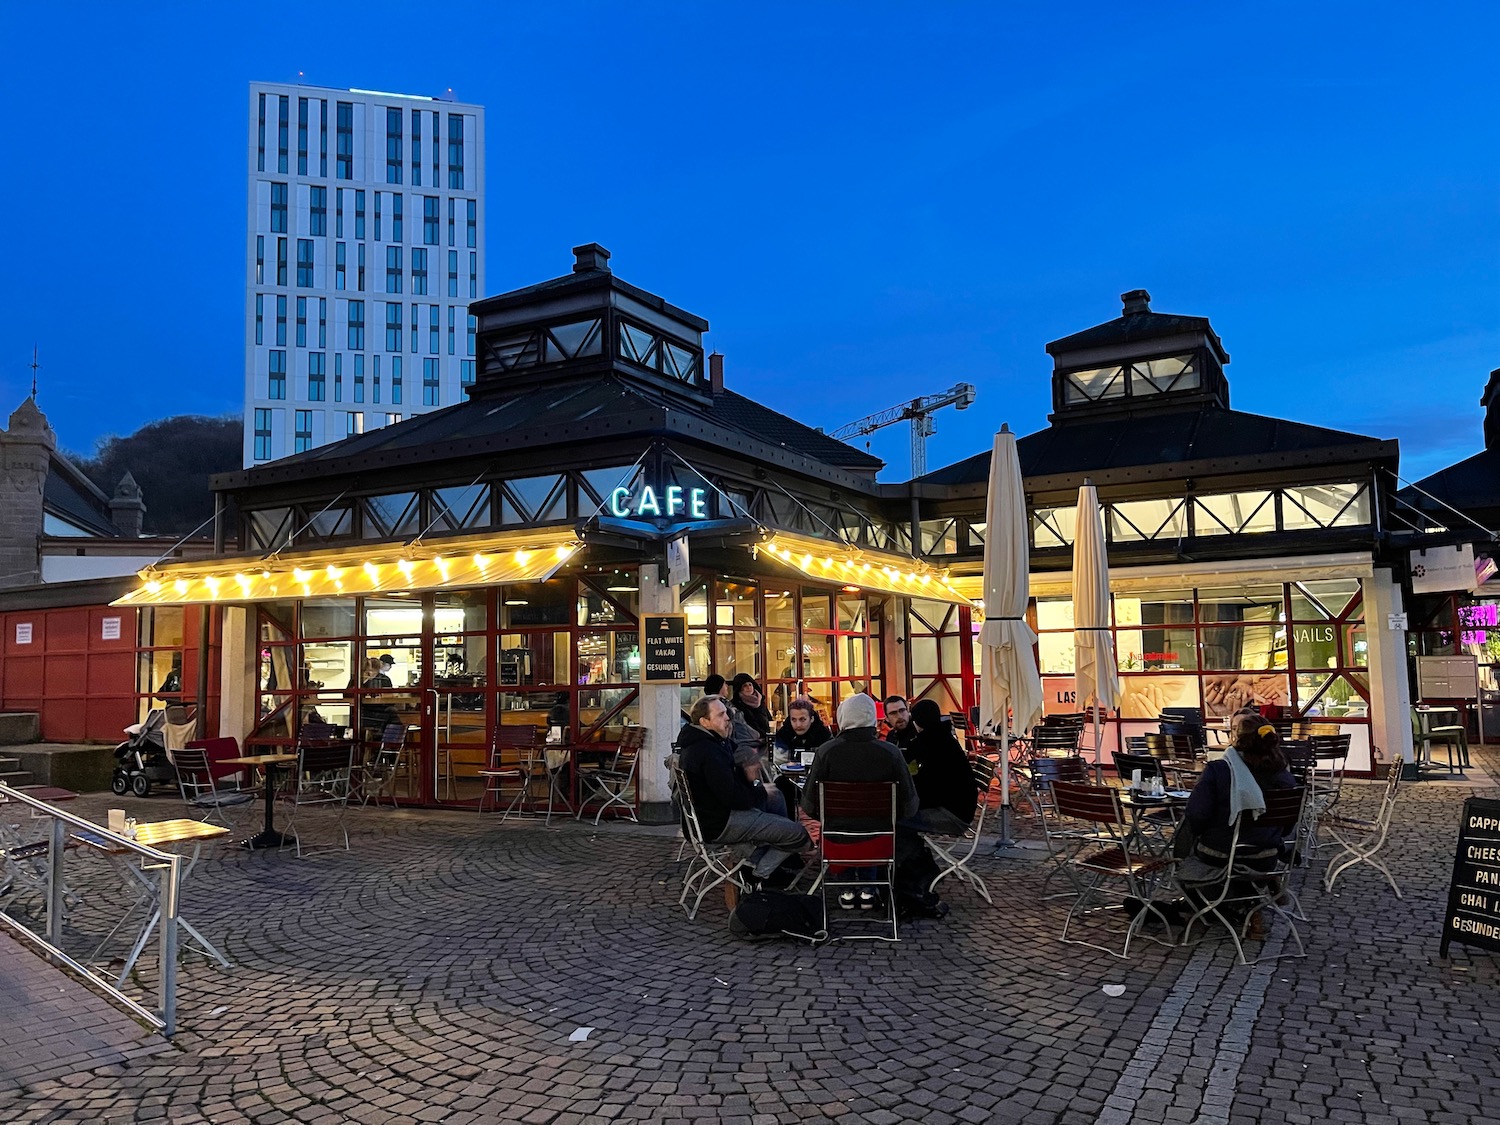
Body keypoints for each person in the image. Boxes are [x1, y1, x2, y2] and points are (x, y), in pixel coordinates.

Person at [800, 693, 947, 918]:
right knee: (872, 827)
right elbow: (909, 807)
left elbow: (808, 805)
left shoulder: (826, 752)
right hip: (880, 842)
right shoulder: (890, 752)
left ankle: (847, 889)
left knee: (848, 829)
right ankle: (870, 888)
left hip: (837, 842)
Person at [678, 695, 810, 884]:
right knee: (798, 834)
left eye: (726, 713)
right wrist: (757, 788)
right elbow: (734, 797)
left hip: (714, 816)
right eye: (721, 715)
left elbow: (736, 756)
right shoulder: (707, 751)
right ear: (705, 722)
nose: (727, 718)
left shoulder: (709, 741)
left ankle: (771, 858)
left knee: (777, 796)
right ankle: (761, 873)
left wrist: (750, 771)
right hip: (721, 822)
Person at [906, 699, 980, 834]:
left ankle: (911, 853)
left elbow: (930, 787)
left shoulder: (929, 744)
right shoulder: (943, 738)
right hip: (961, 809)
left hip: (952, 815)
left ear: (917, 723)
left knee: (897, 820)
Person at [773, 697, 831, 761]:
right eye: (794, 720)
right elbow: (778, 763)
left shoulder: (824, 736)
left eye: (802, 719)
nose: (798, 725)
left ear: (812, 719)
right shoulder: (783, 736)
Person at [883, 694, 918, 760]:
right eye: (893, 713)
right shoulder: (891, 736)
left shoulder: (918, 733)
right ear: (887, 718)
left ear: (908, 711)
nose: (899, 716)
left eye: (902, 710)